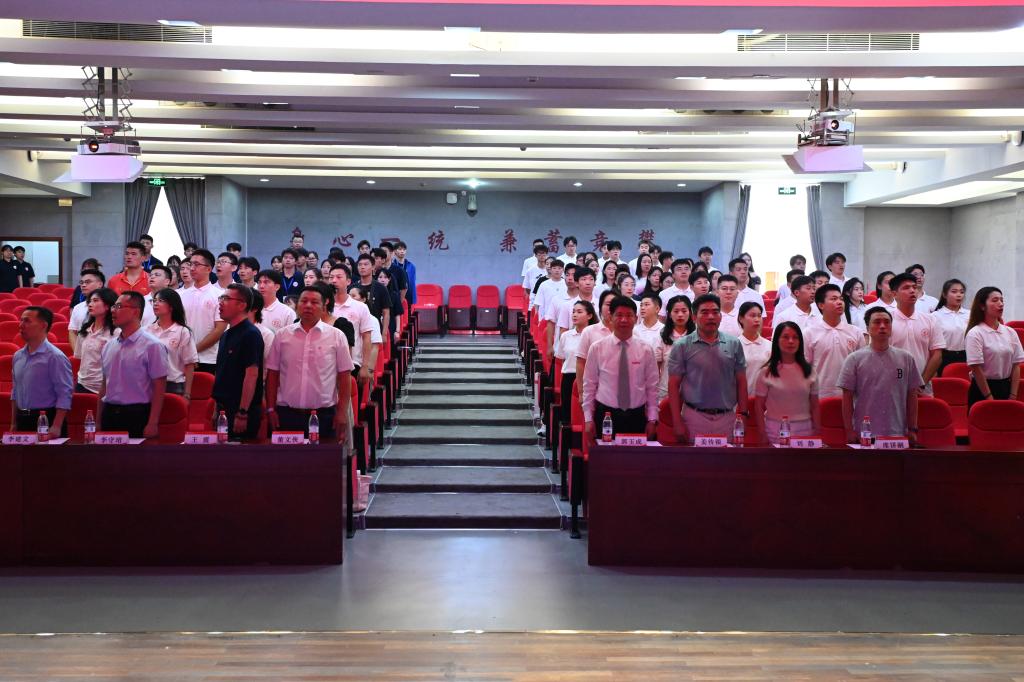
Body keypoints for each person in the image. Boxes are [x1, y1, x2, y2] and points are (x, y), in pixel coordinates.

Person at [266, 283, 354, 442]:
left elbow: (344, 376)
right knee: (287, 457)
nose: (308, 306)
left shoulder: (336, 336)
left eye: (314, 302)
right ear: (297, 305)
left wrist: (342, 412)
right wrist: (271, 408)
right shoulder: (282, 335)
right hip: (286, 414)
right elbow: (272, 374)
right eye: (304, 301)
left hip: (324, 415)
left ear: (324, 306)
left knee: (322, 457)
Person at [667, 293, 749, 444]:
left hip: (727, 417)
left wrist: (743, 414)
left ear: (720, 316)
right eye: (704, 312)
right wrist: (677, 421)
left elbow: (741, 381)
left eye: (715, 312)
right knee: (696, 458)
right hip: (694, 416)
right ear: (694, 317)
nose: (711, 317)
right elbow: (673, 385)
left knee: (728, 458)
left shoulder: (734, 343)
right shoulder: (682, 346)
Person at [581, 296, 659, 448]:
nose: (624, 320)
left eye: (629, 315)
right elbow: (589, 385)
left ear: (636, 318)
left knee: (634, 460)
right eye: (619, 315)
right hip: (606, 416)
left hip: (637, 416)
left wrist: (652, 419)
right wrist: (588, 419)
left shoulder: (646, 350)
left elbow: (652, 387)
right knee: (606, 460)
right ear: (610, 317)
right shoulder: (597, 348)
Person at [837, 308, 922, 444]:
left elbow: (912, 395)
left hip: (897, 433)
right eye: (877, 322)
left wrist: (913, 428)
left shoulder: (906, 358)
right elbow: (847, 398)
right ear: (867, 328)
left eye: (887, 322)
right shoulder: (854, 359)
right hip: (865, 433)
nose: (882, 326)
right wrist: (849, 430)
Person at [97, 291, 169, 439]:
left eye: (119, 306)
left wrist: (153, 422)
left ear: (135, 311)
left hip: (137, 414)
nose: (113, 310)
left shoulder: (152, 346)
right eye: (113, 306)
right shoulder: (109, 346)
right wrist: (98, 421)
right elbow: (104, 386)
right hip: (109, 413)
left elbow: (159, 387)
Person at [751, 322, 820, 444]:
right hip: (774, 428)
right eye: (786, 337)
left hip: (804, 429)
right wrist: (762, 433)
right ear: (777, 341)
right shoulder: (766, 372)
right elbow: (758, 406)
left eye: (795, 337)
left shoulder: (810, 371)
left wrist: (818, 431)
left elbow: (815, 405)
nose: (791, 341)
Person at [211, 284, 264, 440]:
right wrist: (216, 408)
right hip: (223, 409)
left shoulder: (250, 334)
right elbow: (222, 372)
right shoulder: (226, 335)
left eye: (226, 299)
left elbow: (251, 375)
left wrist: (242, 413)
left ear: (242, 305)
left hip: (240, 412)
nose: (221, 303)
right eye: (221, 298)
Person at [11, 306, 72, 437]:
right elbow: (15, 392)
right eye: (21, 320)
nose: (21, 325)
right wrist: (13, 423)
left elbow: (64, 393)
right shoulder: (17, 356)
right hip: (22, 419)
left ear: (43, 325)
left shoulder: (55, 357)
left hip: (46, 419)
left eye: (27, 321)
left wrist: (56, 425)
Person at [803, 283, 866, 399]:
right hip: (819, 395)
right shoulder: (809, 333)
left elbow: (862, 366)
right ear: (821, 305)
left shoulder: (856, 332)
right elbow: (804, 368)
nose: (839, 302)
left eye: (841, 299)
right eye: (833, 299)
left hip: (850, 395)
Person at [965, 286, 1024, 408]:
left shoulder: (1010, 332)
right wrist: (989, 397)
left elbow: (1016, 365)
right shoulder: (975, 333)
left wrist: (1013, 395)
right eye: (995, 300)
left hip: (1005, 387)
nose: (1000, 304)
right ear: (982, 306)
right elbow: (976, 369)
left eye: (1002, 300)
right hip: (982, 389)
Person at [329, 263, 380, 402]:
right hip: (328, 365)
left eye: (338, 277)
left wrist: (365, 367)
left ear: (348, 281)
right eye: (331, 277)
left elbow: (367, 338)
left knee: (352, 406)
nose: (334, 280)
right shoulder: (325, 306)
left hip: (353, 363)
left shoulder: (360, 307)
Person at [889, 272, 945, 394]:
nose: (912, 291)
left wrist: (922, 383)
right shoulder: (887, 321)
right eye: (906, 288)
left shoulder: (930, 320)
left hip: (923, 388)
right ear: (894, 294)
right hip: (892, 387)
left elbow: (937, 355)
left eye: (914, 287)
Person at [179, 249, 226, 375]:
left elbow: (219, 329)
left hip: (208, 358)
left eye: (196, 264)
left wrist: (194, 351)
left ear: (209, 269)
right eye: (191, 264)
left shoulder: (219, 295)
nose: (192, 268)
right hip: (182, 357)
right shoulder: (180, 295)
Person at [148, 288, 198, 399]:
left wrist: (187, 393)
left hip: (173, 385)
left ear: (171, 306)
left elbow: (189, 364)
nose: (156, 303)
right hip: (149, 384)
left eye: (161, 300)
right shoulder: (147, 330)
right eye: (154, 300)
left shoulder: (182, 331)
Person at [555, 300, 597, 421]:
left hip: (588, 378)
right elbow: (561, 358)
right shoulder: (566, 336)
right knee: (568, 415)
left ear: (589, 315)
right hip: (569, 378)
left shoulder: (595, 335)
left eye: (579, 312)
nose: (574, 315)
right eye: (573, 312)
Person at [74, 287, 117, 394]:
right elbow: (80, 357)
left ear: (107, 306)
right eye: (89, 301)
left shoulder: (116, 332)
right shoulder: (84, 330)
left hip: (106, 387)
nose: (90, 304)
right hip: (82, 384)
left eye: (95, 300)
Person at [655, 296, 694, 400]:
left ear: (690, 313)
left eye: (684, 311)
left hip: (693, 392)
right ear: (669, 314)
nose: (680, 314)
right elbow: (656, 367)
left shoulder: (697, 335)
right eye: (676, 311)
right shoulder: (662, 336)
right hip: (666, 392)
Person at [932, 278, 969, 373]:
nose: (959, 295)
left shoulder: (969, 314)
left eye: (961, 292)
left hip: (967, 357)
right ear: (944, 294)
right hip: (944, 357)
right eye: (954, 291)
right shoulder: (935, 316)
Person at [354, 254, 392, 341]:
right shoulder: (352, 288)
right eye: (360, 264)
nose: (362, 267)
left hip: (375, 329)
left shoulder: (381, 288)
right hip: (356, 329)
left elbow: (386, 312)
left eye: (366, 264)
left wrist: (384, 334)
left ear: (373, 267)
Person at [737, 301, 771, 396]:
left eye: (759, 316)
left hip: (765, 398)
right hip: (741, 398)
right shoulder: (735, 345)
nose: (757, 319)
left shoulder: (770, 345)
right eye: (752, 316)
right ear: (741, 319)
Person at [68, 269, 106, 348]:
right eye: (81, 282)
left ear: (100, 284)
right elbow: (72, 332)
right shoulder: (77, 308)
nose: (83, 285)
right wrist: (78, 352)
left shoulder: (110, 305)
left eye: (88, 282)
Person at [394, 240, 417, 306]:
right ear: (395, 251)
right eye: (400, 249)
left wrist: (413, 299)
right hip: (396, 296)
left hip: (409, 296)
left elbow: (412, 283)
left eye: (404, 249)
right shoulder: (392, 265)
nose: (402, 251)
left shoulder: (411, 266)